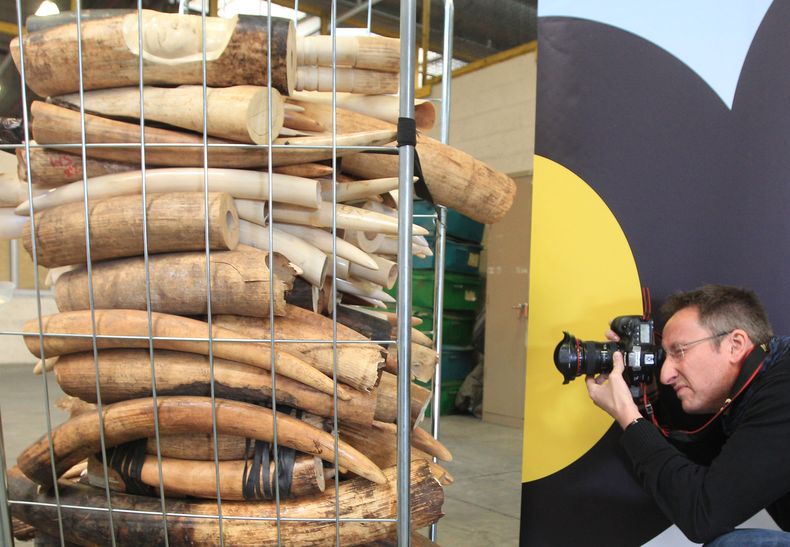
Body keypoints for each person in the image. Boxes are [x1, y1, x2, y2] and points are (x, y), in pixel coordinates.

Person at [585, 284, 790, 546]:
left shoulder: (783, 387)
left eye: (679, 351)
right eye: (663, 356)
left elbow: (703, 514)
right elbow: (712, 474)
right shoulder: (759, 388)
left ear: (735, 344)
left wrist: (628, 416)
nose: (665, 374)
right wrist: (648, 396)